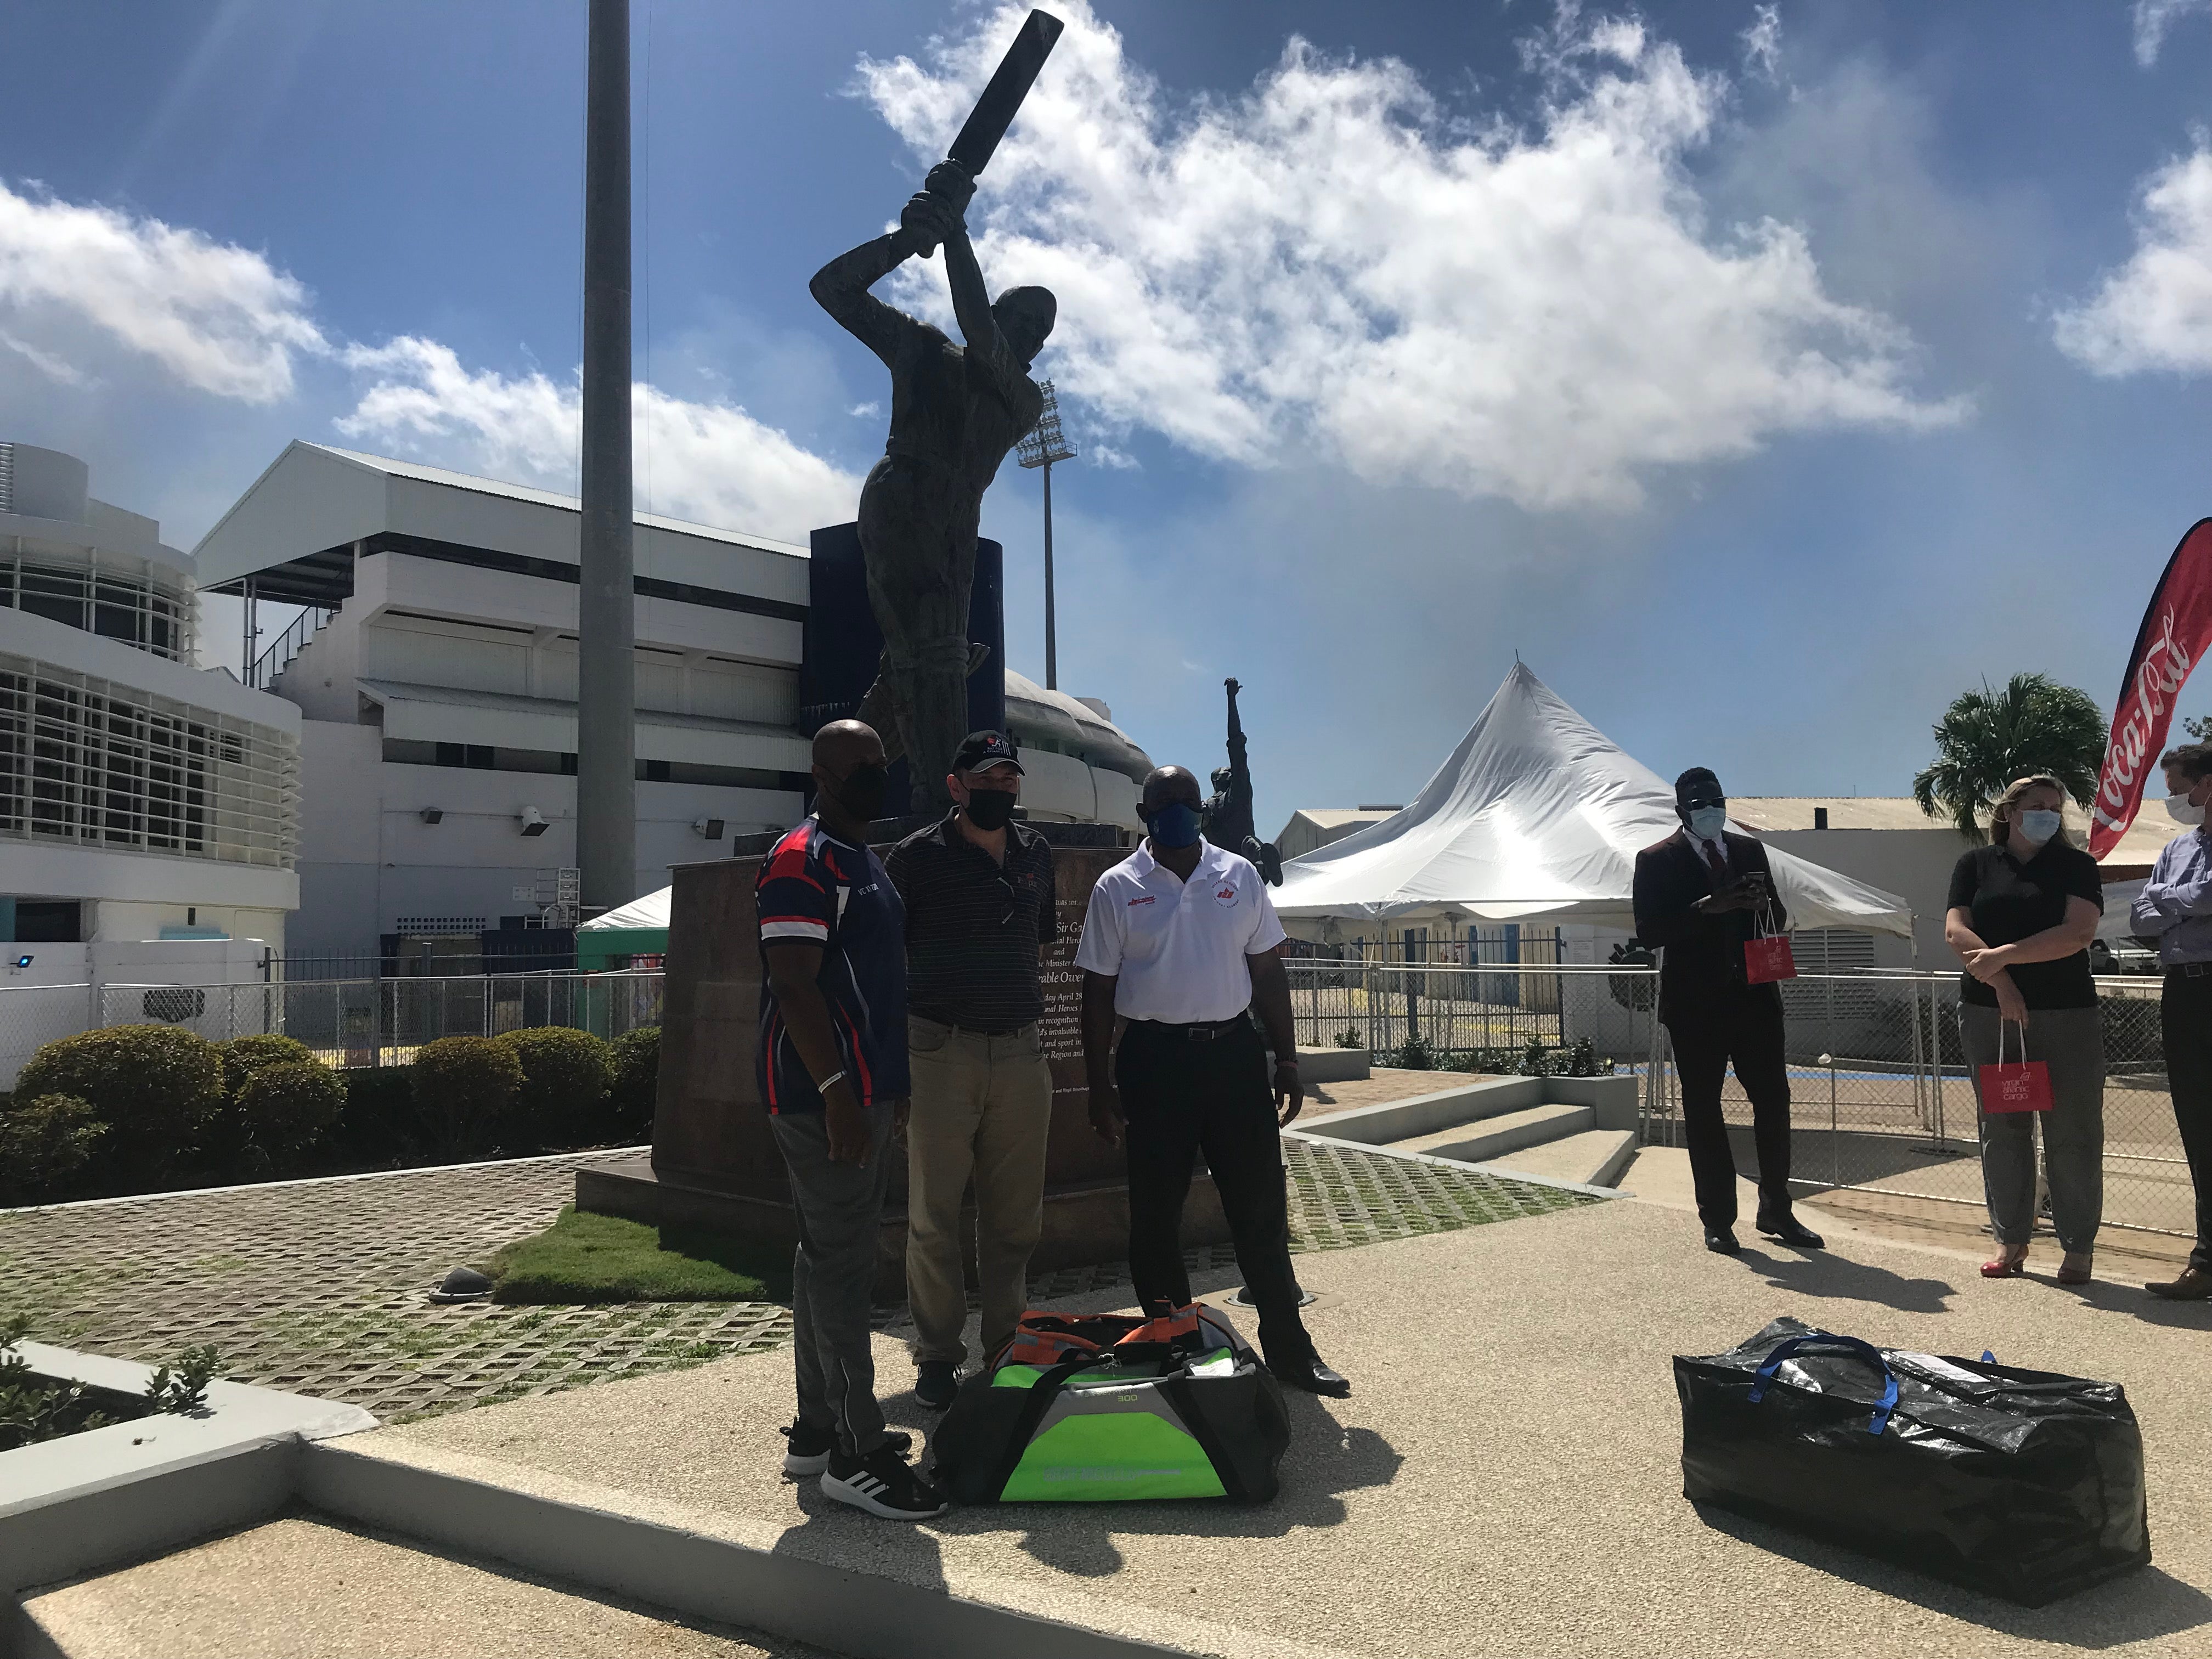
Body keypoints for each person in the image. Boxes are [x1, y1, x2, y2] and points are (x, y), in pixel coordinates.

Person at [1075, 765, 1349, 1397]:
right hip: (1154, 1062)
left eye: (1188, 802)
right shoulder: (1117, 887)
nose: (1179, 811)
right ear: (1145, 813)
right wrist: (1098, 1087)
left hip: (1232, 1057)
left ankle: (1290, 1351)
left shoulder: (1238, 875)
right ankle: (1175, 1350)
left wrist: (1287, 1059)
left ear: (1203, 808)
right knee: (1156, 1216)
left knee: (1259, 1210)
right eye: (1165, 803)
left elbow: (1269, 972)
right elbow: (1098, 993)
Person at [810, 167, 1055, 811]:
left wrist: (954, 232)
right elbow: (831, 288)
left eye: (1041, 333)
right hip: (903, 498)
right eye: (1024, 320)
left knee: (914, 661)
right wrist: (905, 241)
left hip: (956, 525)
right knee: (937, 654)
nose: (1030, 338)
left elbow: (979, 327)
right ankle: (940, 800)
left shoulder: (1020, 396)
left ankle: (841, 788)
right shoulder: (923, 351)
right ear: (1003, 311)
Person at [756, 719, 941, 1521]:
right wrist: (837, 1092)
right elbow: (794, 985)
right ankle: (857, 1453)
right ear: (821, 774)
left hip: (862, 1092)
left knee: (821, 1254)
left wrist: (884, 1095)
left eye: (880, 761)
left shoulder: (862, 860)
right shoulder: (803, 859)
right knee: (840, 1266)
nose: (877, 773)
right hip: (821, 1094)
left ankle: (817, 1426)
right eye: (860, 766)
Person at [884, 730, 1057, 1407]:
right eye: (986, 779)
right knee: (933, 1216)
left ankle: (1007, 1346)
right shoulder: (915, 858)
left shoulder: (1037, 853)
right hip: (938, 1054)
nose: (1000, 789)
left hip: (1019, 1053)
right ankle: (936, 1356)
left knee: (1015, 1220)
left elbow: (1036, 942)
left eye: (1009, 778)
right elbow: (885, 955)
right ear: (956, 785)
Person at [1632, 767, 1825, 1255]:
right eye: (1698, 803)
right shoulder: (1656, 860)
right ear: (1681, 812)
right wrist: (1706, 908)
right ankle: (1718, 1219)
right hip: (1695, 1009)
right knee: (1704, 1111)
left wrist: (1760, 904)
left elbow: (1778, 917)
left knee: (1774, 1104)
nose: (1710, 809)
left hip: (1756, 1001)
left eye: (1715, 799)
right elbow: (1651, 931)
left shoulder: (1748, 850)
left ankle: (1776, 1209)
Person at [1945, 775, 2105, 1284]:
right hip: (1990, 1014)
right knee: (2004, 1129)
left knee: (2073, 1131)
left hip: (2066, 1015)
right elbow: (1956, 930)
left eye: (2055, 807)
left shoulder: (2077, 866)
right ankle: (2011, 1241)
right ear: (2010, 812)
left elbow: (2077, 933)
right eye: (2037, 805)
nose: (2048, 814)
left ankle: (2078, 1248)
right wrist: (2003, 985)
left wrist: (2002, 957)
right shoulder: (1975, 864)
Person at [2132, 743, 2212, 1299]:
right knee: (2199, 1127)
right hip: (2182, 993)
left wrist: (2169, 900)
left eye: (2181, 788)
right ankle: (2207, 1262)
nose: (2175, 801)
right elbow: (2139, 915)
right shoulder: (2177, 848)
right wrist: (2180, 899)